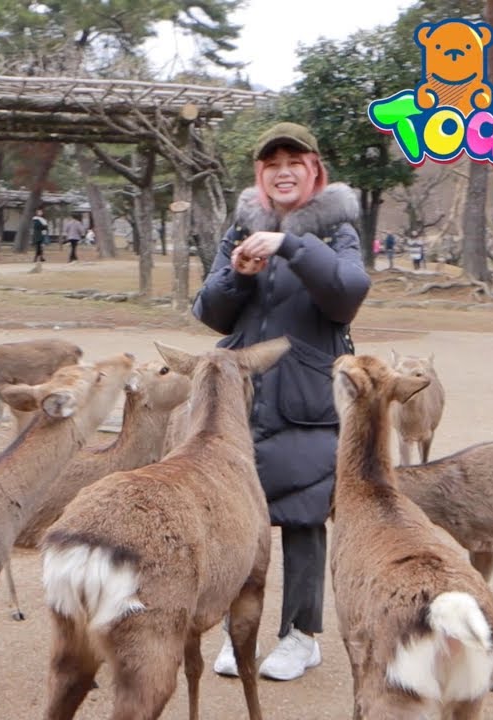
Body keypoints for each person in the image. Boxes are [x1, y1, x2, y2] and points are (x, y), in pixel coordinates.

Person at [192, 121, 370, 683]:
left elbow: (346, 296)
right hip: (241, 401)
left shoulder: (338, 229)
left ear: (314, 170)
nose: (283, 171)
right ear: (260, 174)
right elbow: (210, 312)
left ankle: (300, 637)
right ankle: (238, 630)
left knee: (303, 518)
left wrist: (292, 245)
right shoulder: (240, 228)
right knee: (238, 518)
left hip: (307, 397)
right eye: (272, 164)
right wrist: (239, 276)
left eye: (295, 162)